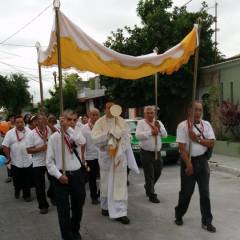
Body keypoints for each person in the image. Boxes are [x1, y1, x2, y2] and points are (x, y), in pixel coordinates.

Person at [91, 102, 139, 225]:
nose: (111, 110)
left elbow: (128, 136)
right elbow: (95, 140)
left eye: (113, 107)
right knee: (106, 184)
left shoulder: (122, 121)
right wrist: (108, 136)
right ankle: (105, 206)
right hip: (107, 158)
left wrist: (121, 140)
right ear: (105, 109)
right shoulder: (99, 122)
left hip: (119, 159)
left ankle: (120, 212)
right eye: (108, 108)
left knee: (120, 185)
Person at [174, 101, 216, 233]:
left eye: (200, 110)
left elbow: (211, 143)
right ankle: (179, 214)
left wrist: (197, 140)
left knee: (205, 194)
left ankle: (207, 221)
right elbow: (181, 148)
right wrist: (188, 164)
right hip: (189, 161)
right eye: (195, 110)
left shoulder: (206, 125)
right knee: (186, 193)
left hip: (202, 162)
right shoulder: (182, 126)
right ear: (189, 111)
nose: (198, 113)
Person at [46, 110, 86, 240]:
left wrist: (69, 130)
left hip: (77, 175)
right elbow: (49, 162)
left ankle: (75, 230)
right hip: (61, 177)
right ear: (62, 119)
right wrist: (58, 176)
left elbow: (81, 141)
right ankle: (67, 236)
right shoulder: (54, 137)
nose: (72, 122)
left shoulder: (76, 133)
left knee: (78, 206)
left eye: (74, 120)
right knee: (63, 210)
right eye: (69, 119)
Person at [136, 106, 167, 203]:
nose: (150, 115)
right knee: (150, 175)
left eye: (152, 113)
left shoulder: (158, 122)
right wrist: (150, 132)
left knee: (158, 171)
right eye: (148, 113)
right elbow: (138, 136)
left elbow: (165, 135)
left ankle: (148, 186)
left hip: (157, 152)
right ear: (144, 114)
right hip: (146, 153)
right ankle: (152, 195)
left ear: (154, 113)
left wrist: (159, 128)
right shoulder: (141, 123)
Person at [2, 115, 33, 201]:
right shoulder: (10, 133)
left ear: (23, 122)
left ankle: (27, 195)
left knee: (27, 179)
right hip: (15, 161)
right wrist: (8, 157)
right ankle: (17, 189)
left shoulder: (29, 131)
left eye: (21, 122)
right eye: (17, 122)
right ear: (14, 123)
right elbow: (5, 146)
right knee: (17, 179)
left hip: (28, 160)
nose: (19, 124)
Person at [26, 113, 51, 214]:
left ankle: (51, 194)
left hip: (50, 161)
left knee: (54, 182)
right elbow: (28, 150)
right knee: (40, 186)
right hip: (38, 163)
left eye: (44, 118)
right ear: (36, 122)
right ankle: (43, 206)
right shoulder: (31, 134)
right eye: (40, 119)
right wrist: (41, 148)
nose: (43, 120)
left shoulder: (48, 130)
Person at [81, 108, 100, 205]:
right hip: (89, 157)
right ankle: (94, 197)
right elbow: (82, 144)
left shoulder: (102, 126)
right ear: (89, 115)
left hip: (101, 156)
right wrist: (83, 158)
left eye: (97, 115)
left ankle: (101, 194)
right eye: (93, 115)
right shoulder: (84, 128)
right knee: (92, 178)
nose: (95, 117)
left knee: (104, 177)